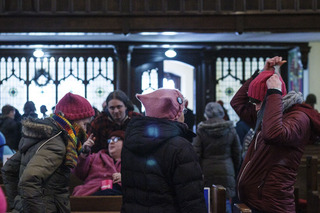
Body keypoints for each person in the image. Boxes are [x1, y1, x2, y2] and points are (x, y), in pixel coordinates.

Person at [230, 56, 320, 213]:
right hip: (254, 202)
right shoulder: (265, 114)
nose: (256, 108)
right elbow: (237, 103)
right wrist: (261, 74)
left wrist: (273, 92)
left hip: (273, 206)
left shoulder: (299, 117)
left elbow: (274, 134)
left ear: (271, 98)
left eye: (259, 103)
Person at [1, 92, 95, 212]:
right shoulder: (57, 143)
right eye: (84, 124)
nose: (85, 130)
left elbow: (9, 169)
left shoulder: (44, 136)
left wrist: (18, 204)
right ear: (73, 121)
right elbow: (28, 180)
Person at [121, 88, 207, 213]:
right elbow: (192, 200)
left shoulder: (130, 142)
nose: (184, 114)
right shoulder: (180, 147)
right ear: (175, 114)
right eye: (183, 110)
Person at [193, 102, 241, 213]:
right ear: (222, 113)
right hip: (226, 169)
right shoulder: (230, 129)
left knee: (208, 202)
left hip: (207, 170)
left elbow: (196, 153)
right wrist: (234, 168)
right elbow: (237, 152)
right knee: (225, 201)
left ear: (206, 114)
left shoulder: (201, 130)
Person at [72, 130, 124, 196]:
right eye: (109, 140)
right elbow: (79, 173)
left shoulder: (131, 161)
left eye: (116, 140)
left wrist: (125, 177)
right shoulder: (96, 157)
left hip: (118, 194)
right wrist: (84, 153)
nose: (111, 143)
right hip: (91, 192)